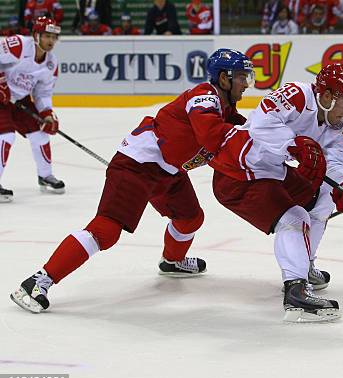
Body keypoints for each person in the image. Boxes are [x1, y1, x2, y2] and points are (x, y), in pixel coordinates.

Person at [10, 49, 254, 313]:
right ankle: (37, 281)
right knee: (106, 230)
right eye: (241, 76)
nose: (246, 83)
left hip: (169, 171)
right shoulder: (203, 97)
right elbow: (212, 135)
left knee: (190, 217)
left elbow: (245, 132)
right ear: (224, 78)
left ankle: (172, 261)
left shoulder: (226, 107)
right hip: (138, 164)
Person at [209, 63, 343, 322]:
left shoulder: (340, 125)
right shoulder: (296, 94)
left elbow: (336, 162)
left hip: (274, 172)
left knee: (327, 194)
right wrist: (292, 144)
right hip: (240, 171)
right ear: (327, 96)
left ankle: (304, 265)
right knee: (295, 218)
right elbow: (260, 124)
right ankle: (296, 294)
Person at [0, 17, 64, 203]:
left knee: (40, 133)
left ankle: (45, 175)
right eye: (46, 36)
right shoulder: (18, 45)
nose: (51, 41)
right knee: (5, 136)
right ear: (36, 35)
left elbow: (43, 92)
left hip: (19, 100)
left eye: (54, 37)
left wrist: (47, 113)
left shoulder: (51, 63)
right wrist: (1, 83)